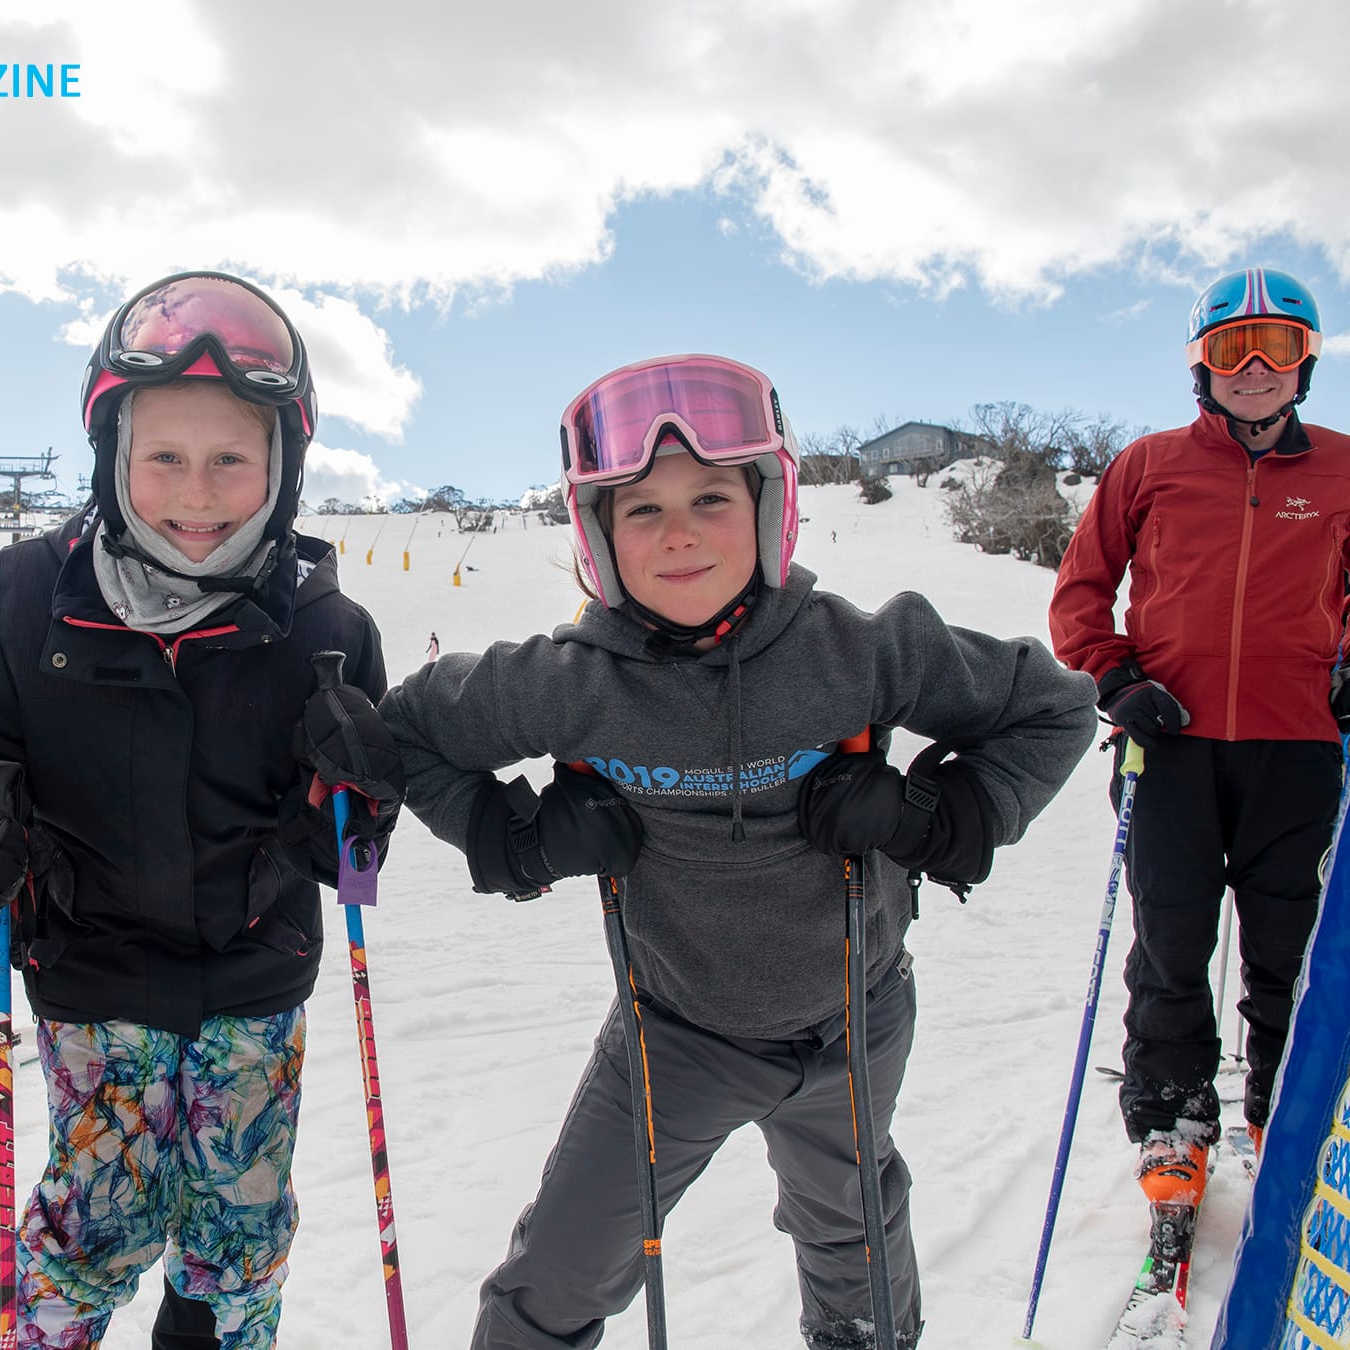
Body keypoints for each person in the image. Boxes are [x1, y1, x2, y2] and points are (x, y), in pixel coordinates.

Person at [379, 353, 1095, 1350]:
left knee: (851, 1238)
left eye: (710, 497)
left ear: (767, 507)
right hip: (673, 1035)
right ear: (596, 535)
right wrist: (516, 840)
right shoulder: (566, 682)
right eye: (640, 510)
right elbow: (407, 736)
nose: (677, 532)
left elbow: (1051, 712)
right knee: (564, 1265)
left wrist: (926, 816)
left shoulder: (859, 652)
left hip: (854, 1015)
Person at [0, 271, 402, 1349]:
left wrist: (361, 796)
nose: (197, 493)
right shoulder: (28, 591)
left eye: (231, 459)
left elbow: (354, 867)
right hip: (90, 982)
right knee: (85, 1231)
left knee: (237, 1240)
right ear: (113, 459)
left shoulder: (325, 626)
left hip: (252, 983)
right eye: (165, 458)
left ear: (279, 466)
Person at [1049, 267, 1350, 1200]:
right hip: (1167, 748)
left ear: (1305, 365)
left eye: (1277, 350)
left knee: (1288, 947)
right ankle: (1173, 1117)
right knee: (1173, 942)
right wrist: (1115, 675)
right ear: (1201, 364)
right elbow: (1083, 587)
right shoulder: (1148, 464)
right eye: (1231, 349)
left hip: (1298, 749)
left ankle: (1283, 1107)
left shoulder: (1344, 468)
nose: (1253, 367)